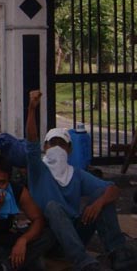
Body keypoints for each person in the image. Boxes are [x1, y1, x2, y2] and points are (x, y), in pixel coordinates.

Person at [26, 90, 137, 271]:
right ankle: (83, 263)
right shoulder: (39, 170)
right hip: (49, 237)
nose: (56, 148)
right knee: (53, 207)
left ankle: (117, 252)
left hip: (76, 234)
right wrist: (31, 109)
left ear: (69, 150)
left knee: (103, 194)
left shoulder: (75, 174)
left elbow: (113, 189)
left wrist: (98, 203)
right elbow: (30, 143)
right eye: (52, 144)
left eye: (61, 145)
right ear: (45, 147)